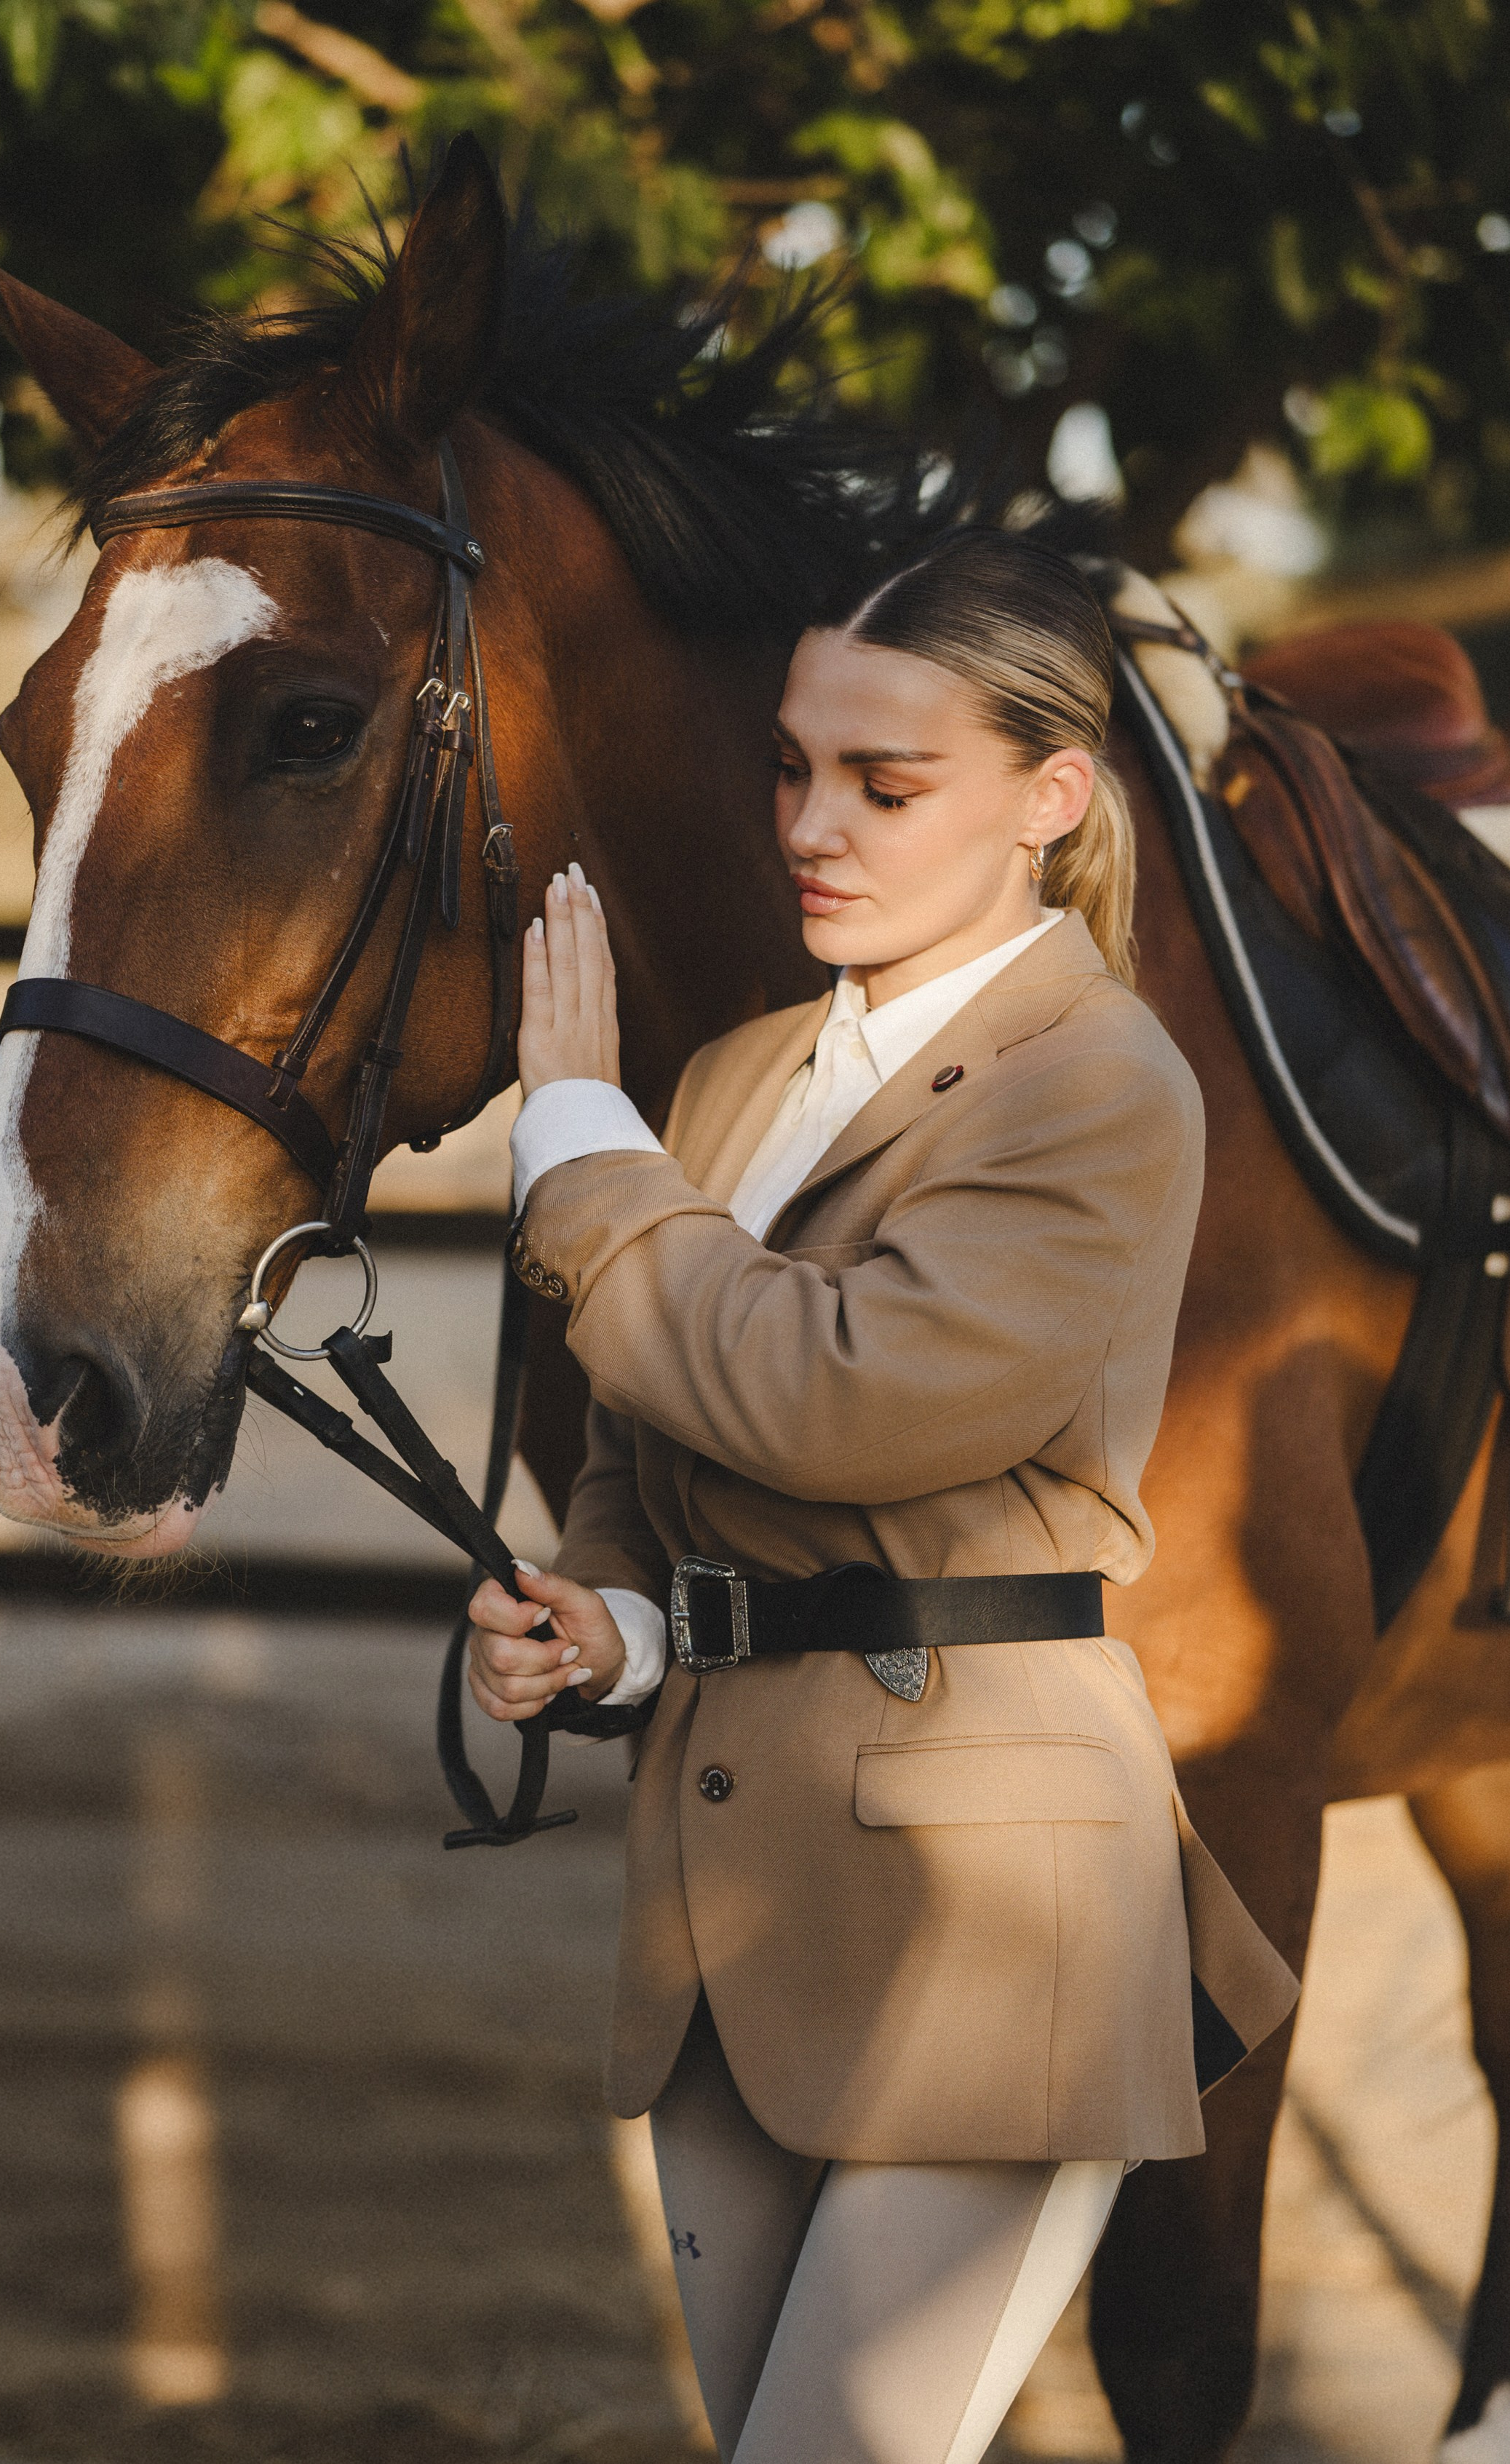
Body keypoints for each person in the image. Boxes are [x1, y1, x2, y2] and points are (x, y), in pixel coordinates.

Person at [467, 527, 1298, 2464]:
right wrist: (615, 1618)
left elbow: (844, 1403)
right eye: (789, 765)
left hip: (992, 1908)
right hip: (727, 1899)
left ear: (1048, 797)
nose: (812, 826)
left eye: (883, 781)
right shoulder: (739, 1074)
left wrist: (582, 1149)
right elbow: (640, 1443)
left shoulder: (1097, 1085)